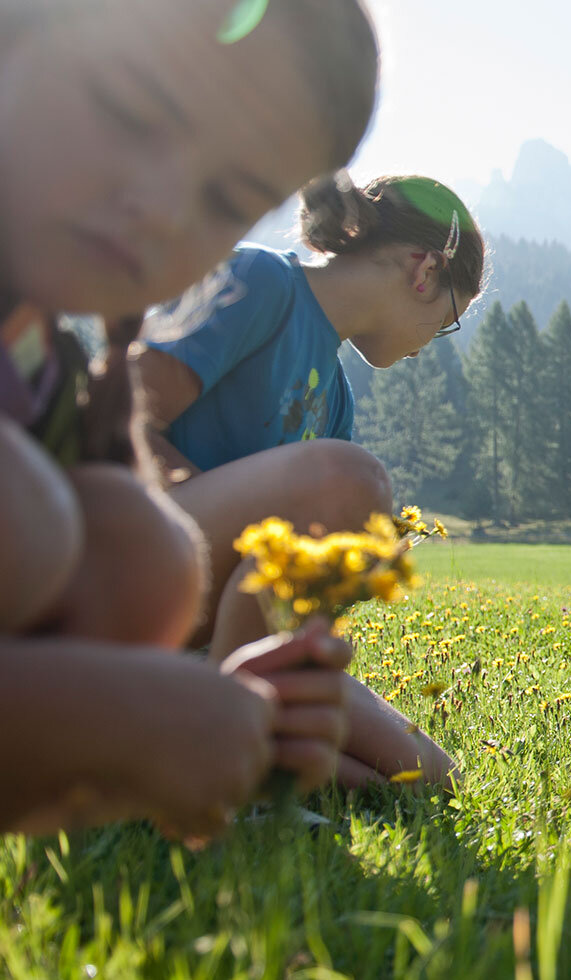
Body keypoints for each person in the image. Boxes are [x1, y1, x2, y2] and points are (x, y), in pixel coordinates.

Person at [0, 0, 377, 835]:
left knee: (139, 545)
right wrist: (123, 722)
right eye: (131, 111)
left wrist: (217, 714)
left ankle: (107, 794)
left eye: (227, 199)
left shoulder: (43, 362)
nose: (165, 206)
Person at [133, 175, 482, 789]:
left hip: (220, 636)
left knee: (427, 775)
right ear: (424, 271)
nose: (431, 346)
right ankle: (217, 737)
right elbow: (119, 420)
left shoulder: (337, 400)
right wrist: (234, 509)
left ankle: (230, 732)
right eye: (449, 320)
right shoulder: (260, 281)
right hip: (138, 571)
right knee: (355, 480)